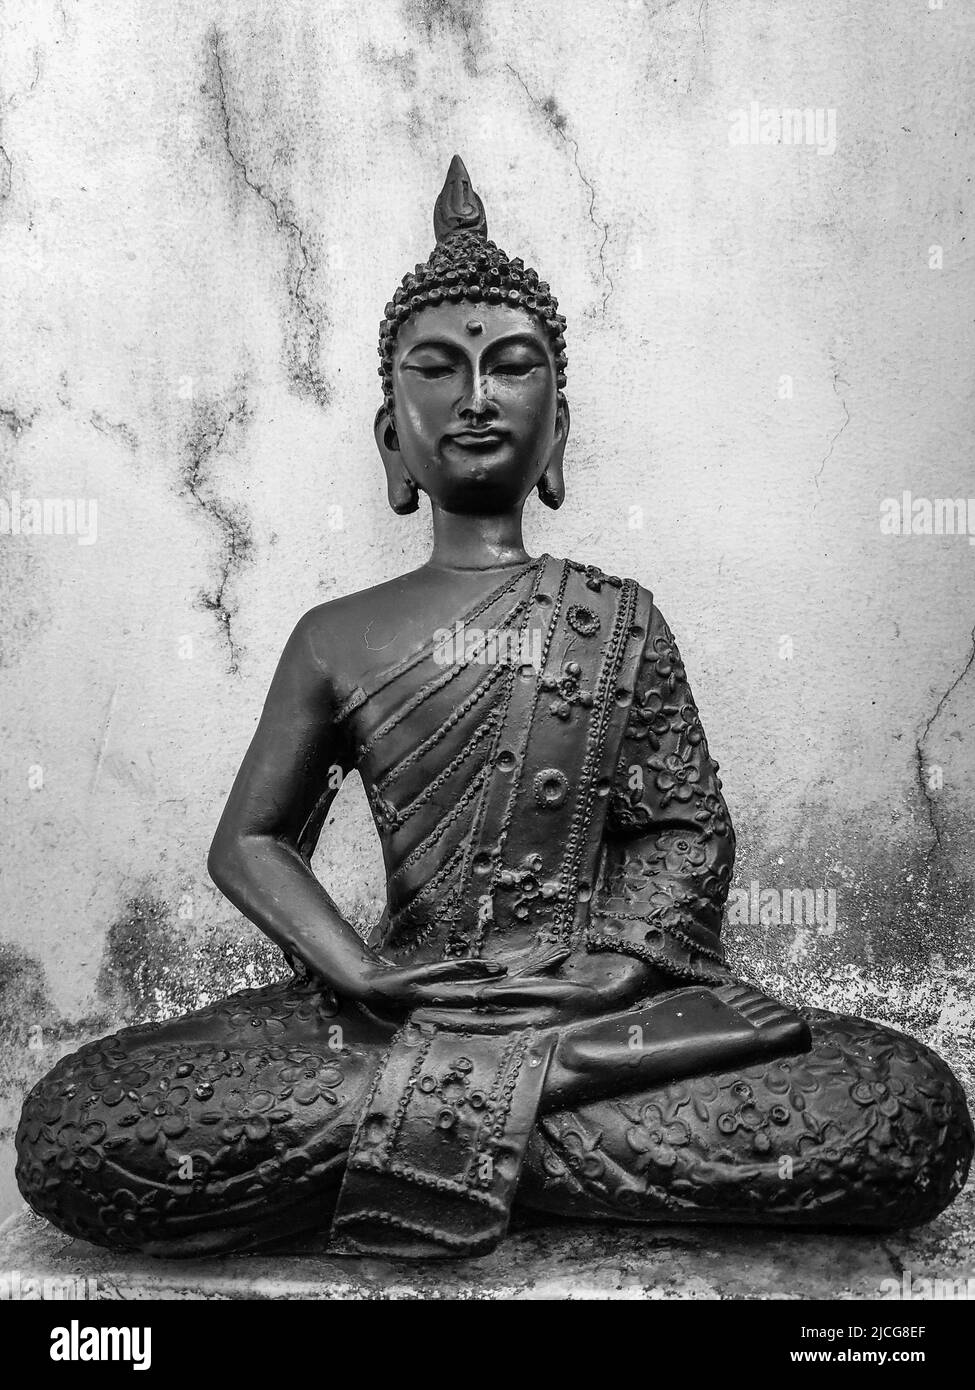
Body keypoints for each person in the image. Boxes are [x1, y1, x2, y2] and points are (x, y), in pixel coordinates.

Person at [17, 159, 972, 1258]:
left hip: (593, 997)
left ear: (557, 430)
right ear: (393, 436)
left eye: (511, 369)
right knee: (85, 1122)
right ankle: (555, 1101)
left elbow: (684, 830)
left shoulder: (618, 619)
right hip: (402, 1011)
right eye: (440, 369)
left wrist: (610, 975)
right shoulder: (335, 633)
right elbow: (251, 839)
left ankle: (448, 1120)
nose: (475, 396)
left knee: (903, 1106)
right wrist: (362, 970)